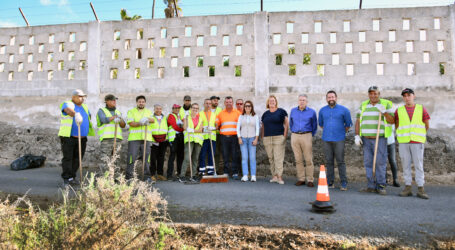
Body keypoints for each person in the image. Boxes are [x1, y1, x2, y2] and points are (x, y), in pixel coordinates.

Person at [355, 86, 395, 195]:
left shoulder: (386, 104)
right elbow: (358, 121)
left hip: (380, 138)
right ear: (368, 94)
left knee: (380, 162)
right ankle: (371, 185)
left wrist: (385, 112)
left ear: (379, 94)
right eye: (371, 93)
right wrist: (357, 135)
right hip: (366, 139)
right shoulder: (363, 105)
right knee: (368, 162)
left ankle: (381, 185)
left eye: (375, 93)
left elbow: (392, 121)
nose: (373, 95)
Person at [396, 88, 430, 199]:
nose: (407, 98)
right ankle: (408, 187)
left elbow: (426, 124)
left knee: (418, 165)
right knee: (405, 165)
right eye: (404, 96)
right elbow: (397, 124)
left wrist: (419, 135)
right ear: (403, 98)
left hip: (417, 141)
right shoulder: (399, 110)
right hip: (404, 142)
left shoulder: (421, 109)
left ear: (413, 96)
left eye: (409, 95)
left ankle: (421, 188)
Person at [58, 89, 95, 187]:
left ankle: (72, 177)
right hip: (69, 137)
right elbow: (68, 111)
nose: (82, 98)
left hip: (82, 138)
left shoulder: (85, 107)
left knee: (78, 159)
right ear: (73, 97)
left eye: (83, 97)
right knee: (68, 158)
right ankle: (66, 179)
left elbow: (89, 116)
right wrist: (76, 114)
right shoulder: (67, 104)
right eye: (80, 96)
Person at [318, 90, 352, 191]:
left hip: (339, 139)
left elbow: (348, 124)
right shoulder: (322, 110)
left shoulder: (344, 110)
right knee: (329, 162)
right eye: (329, 97)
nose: (331, 99)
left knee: (340, 161)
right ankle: (330, 182)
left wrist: (340, 132)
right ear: (326, 99)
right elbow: (321, 124)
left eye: (332, 97)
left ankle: (343, 182)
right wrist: (329, 131)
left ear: (336, 98)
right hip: (326, 139)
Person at [290, 94, 317, 187]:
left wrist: (310, 135)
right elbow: (291, 123)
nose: (302, 101)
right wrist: (294, 133)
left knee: (308, 159)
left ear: (307, 102)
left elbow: (314, 125)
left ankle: (310, 179)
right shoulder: (293, 111)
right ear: (298, 101)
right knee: (298, 159)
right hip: (295, 135)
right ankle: (301, 179)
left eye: (304, 100)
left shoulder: (312, 112)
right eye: (300, 100)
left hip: (307, 135)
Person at [126, 95, 155, 181]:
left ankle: (146, 176)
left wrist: (147, 119)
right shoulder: (131, 111)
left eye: (143, 102)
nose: (141, 103)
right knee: (132, 157)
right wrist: (140, 123)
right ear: (137, 103)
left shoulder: (148, 112)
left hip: (146, 138)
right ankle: (129, 176)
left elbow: (153, 120)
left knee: (147, 158)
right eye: (139, 102)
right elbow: (131, 123)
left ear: (145, 103)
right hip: (134, 139)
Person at [261, 95, 288, 185]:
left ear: (276, 102)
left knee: (278, 157)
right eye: (270, 101)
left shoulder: (281, 112)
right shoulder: (265, 114)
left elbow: (286, 124)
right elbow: (263, 126)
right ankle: (274, 176)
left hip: (278, 138)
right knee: (271, 158)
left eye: (273, 100)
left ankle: (279, 176)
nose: (272, 102)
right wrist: (262, 137)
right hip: (267, 138)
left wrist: (284, 136)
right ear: (268, 103)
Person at [96, 94, 126, 170]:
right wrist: (114, 117)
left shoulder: (118, 112)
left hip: (117, 138)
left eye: (115, 100)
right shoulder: (101, 111)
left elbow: (123, 125)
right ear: (106, 101)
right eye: (112, 100)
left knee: (117, 159)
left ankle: (116, 178)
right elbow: (104, 120)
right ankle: (104, 178)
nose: (114, 101)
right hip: (106, 139)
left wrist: (120, 119)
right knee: (105, 159)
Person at [216, 96, 241, 179]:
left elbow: (241, 125)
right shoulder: (221, 113)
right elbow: (217, 124)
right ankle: (226, 172)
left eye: (230, 102)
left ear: (232, 103)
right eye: (227, 102)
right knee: (225, 155)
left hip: (234, 137)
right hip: (223, 137)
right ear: (224, 103)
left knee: (235, 155)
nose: (228, 103)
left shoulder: (238, 113)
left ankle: (235, 172)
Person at [180, 103, 204, 183]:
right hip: (189, 140)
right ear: (190, 108)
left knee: (195, 158)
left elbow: (200, 130)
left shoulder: (200, 118)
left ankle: (193, 175)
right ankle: (182, 176)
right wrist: (186, 118)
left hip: (198, 140)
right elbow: (184, 127)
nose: (195, 109)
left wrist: (193, 130)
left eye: (197, 108)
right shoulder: (187, 117)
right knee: (187, 158)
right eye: (193, 108)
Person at [237, 100, 259, 182]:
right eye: (246, 106)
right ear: (244, 107)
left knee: (252, 157)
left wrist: (256, 139)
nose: (247, 107)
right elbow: (238, 128)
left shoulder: (255, 116)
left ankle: (253, 175)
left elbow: (257, 128)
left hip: (252, 138)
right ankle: (245, 175)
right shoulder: (241, 116)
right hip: (243, 139)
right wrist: (239, 138)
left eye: (249, 106)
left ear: (251, 107)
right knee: (244, 157)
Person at [150, 104, 168, 181]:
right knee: (153, 158)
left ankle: (160, 174)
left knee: (161, 158)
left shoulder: (165, 118)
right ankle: (152, 174)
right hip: (154, 140)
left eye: (160, 109)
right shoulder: (151, 117)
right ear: (154, 109)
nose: (158, 110)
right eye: (157, 108)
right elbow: (149, 129)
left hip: (163, 140)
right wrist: (151, 139)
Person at [198, 99, 217, 176]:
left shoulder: (214, 114)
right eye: (206, 103)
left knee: (211, 154)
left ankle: (210, 170)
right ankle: (202, 170)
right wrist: (205, 129)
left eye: (209, 103)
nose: (208, 105)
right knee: (202, 154)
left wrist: (214, 128)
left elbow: (216, 125)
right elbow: (198, 125)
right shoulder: (200, 114)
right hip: (203, 137)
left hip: (212, 137)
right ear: (204, 104)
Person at [167, 104, 185, 180]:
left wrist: (183, 127)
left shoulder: (179, 116)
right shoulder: (170, 116)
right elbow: (175, 126)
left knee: (180, 156)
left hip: (180, 137)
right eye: (176, 108)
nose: (177, 109)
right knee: (172, 156)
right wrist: (183, 129)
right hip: (174, 138)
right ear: (173, 109)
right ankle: (169, 175)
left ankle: (179, 173)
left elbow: (184, 124)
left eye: (178, 108)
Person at [211, 95, 224, 173]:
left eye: (217, 100)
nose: (216, 102)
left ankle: (217, 169)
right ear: (211, 101)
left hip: (218, 134)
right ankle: (210, 169)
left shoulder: (220, 110)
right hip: (209, 134)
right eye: (214, 100)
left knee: (217, 152)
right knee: (210, 152)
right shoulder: (208, 110)